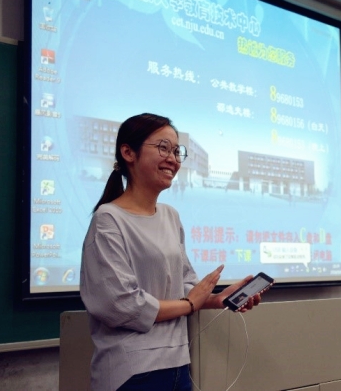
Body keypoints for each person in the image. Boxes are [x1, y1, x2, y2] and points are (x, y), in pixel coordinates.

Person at [80, 113, 261, 391]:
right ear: (128, 153)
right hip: (132, 372)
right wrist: (189, 304)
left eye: (177, 151)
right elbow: (120, 304)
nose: (173, 160)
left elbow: (184, 285)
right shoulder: (108, 219)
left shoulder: (170, 216)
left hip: (178, 366)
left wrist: (218, 299)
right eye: (163, 148)